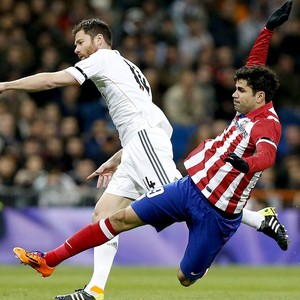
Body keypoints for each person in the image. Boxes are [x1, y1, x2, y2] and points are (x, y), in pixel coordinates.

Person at [12, 0, 292, 293]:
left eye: (80, 42)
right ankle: (88, 286)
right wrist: (268, 28)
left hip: (165, 159)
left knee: (185, 247)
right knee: (105, 214)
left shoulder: (103, 59)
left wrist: (5, 86)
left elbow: (49, 82)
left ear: (98, 40)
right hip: (148, 150)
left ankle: (258, 219)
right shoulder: (130, 68)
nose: (76, 50)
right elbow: (253, 68)